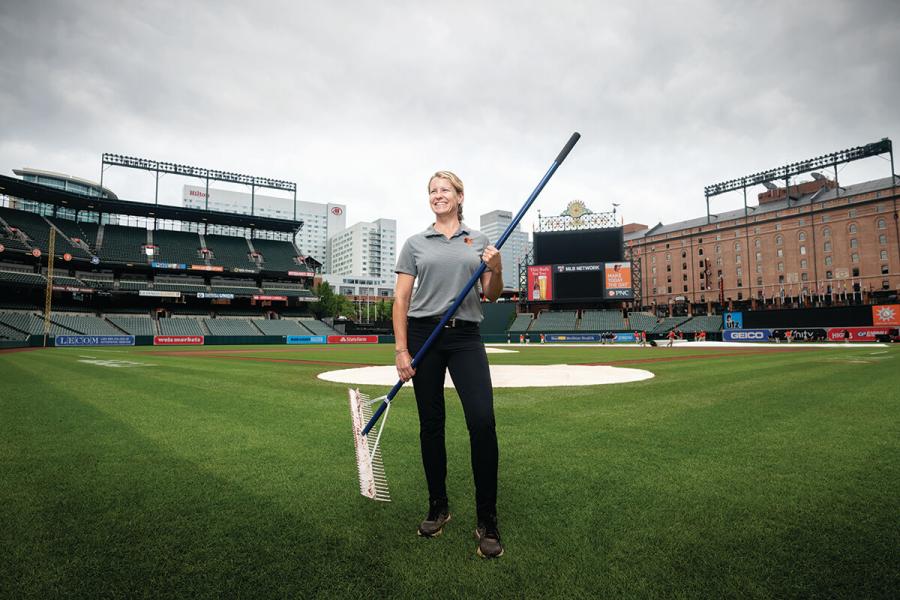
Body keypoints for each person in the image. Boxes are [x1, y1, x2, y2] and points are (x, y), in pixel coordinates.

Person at [393, 170, 505, 559]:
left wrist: (497, 267)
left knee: (482, 420)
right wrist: (401, 350)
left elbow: (491, 295)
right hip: (425, 336)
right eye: (432, 191)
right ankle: (438, 506)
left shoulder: (480, 240)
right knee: (431, 424)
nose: (438, 196)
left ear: (459, 196)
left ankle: (487, 519)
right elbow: (402, 301)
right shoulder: (415, 243)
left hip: (465, 337)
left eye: (445, 190)